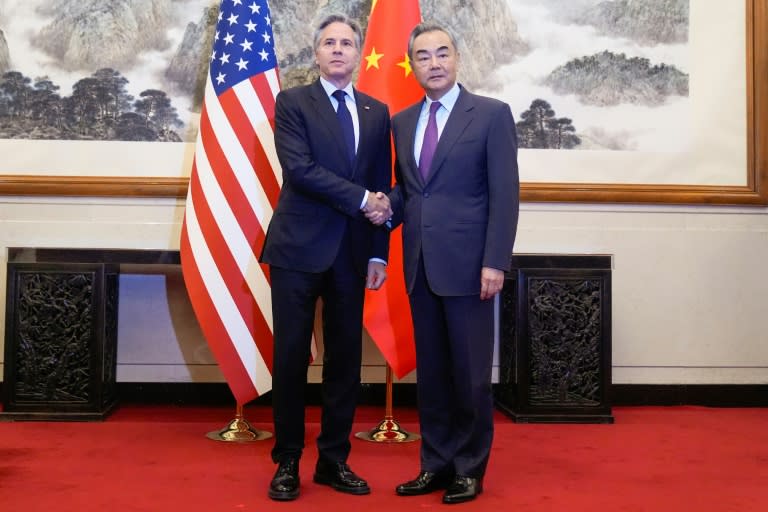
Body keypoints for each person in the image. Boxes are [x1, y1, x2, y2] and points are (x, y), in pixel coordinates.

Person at [377, 22, 519, 504]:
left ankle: (469, 468)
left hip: (471, 268)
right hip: (419, 266)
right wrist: (379, 206)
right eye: (423, 56)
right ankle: (434, 465)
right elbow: (413, 194)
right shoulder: (401, 122)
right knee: (433, 376)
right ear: (412, 65)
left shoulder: (492, 115)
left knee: (471, 376)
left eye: (442, 54)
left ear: (457, 58)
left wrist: (495, 261)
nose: (433, 63)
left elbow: (505, 195)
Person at [260, 13, 393, 501]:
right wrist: (363, 201)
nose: (339, 50)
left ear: (359, 54)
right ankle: (288, 461)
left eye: (347, 43)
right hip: (297, 249)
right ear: (316, 54)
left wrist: (379, 253)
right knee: (292, 357)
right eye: (329, 43)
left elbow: (384, 184)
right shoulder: (292, 102)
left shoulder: (377, 112)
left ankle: (334, 460)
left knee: (345, 363)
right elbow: (301, 170)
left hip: (354, 253)